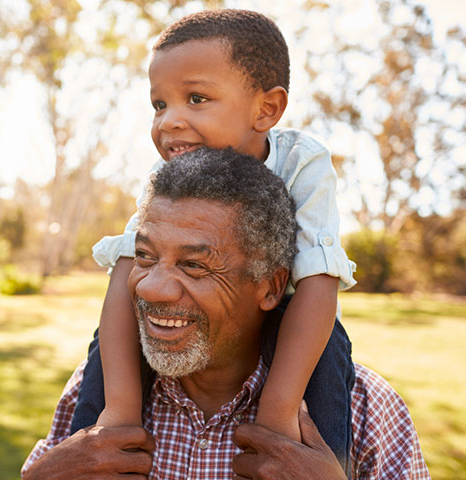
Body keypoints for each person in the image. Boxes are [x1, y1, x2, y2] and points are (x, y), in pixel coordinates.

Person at [21, 148, 430, 479]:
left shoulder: (366, 410)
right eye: (144, 257)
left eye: (194, 265)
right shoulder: (96, 389)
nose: (149, 287)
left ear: (270, 287)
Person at [72, 8, 357, 473]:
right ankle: (89, 457)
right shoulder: (164, 178)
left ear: (266, 109)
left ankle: (320, 463)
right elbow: (127, 270)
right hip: (196, 328)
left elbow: (319, 281)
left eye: (196, 98)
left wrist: (278, 412)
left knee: (330, 353)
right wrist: (119, 409)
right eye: (159, 105)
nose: (169, 122)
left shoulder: (302, 162)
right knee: (107, 342)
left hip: (291, 318)